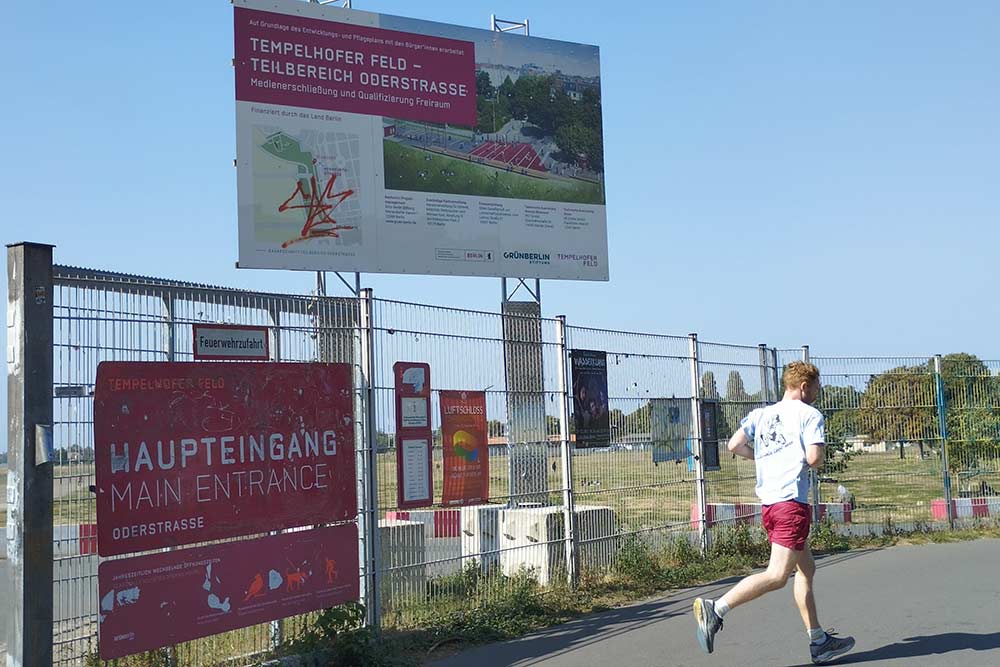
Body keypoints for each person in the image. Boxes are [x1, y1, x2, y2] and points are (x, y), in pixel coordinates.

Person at [693, 361, 855, 665]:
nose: (818, 392)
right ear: (805, 386)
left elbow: (734, 444)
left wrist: (765, 458)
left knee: (806, 569)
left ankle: (818, 641)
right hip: (791, 504)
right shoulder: (810, 415)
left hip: (770, 505)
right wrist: (804, 456)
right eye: (817, 387)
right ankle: (716, 609)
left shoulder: (762, 414)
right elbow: (815, 458)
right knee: (778, 575)